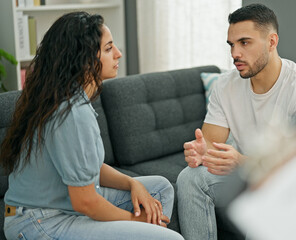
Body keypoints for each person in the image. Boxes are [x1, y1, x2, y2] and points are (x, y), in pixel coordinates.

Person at [0, 12, 183, 240]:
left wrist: (131, 183)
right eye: (108, 49)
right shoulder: (71, 113)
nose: (118, 54)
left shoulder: (72, 99)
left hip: (63, 206)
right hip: (40, 222)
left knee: (159, 188)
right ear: (84, 60)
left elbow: (89, 167)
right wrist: (135, 222)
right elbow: (85, 201)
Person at [176, 3, 296, 240]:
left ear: (271, 42)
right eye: (231, 45)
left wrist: (242, 163)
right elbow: (210, 145)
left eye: (244, 43)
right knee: (189, 178)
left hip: (290, 184)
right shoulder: (225, 86)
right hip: (246, 173)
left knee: (266, 204)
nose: (234, 53)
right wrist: (201, 152)